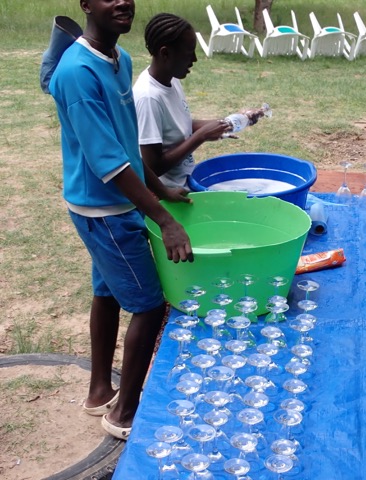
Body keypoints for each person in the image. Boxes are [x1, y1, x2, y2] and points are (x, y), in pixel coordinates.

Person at [46, 0, 194, 439]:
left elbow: (127, 142)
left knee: (107, 293)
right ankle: (124, 414)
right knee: (149, 305)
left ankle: (98, 392)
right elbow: (108, 162)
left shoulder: (120, 58)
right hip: (105, 209)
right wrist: (164, 218)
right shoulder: (76, 74)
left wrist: (161, 187)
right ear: (86, 4)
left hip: (118, 203)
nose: (121, 3)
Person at [133, 13, 263, 190]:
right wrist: (201, 137)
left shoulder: (170, 79)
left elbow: (178, 125)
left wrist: (228, 122)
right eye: (188, 54)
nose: (194, 59)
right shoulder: (148, 97)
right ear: (165, 53)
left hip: (184, 181)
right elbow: (153, 167)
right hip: (168, 193)